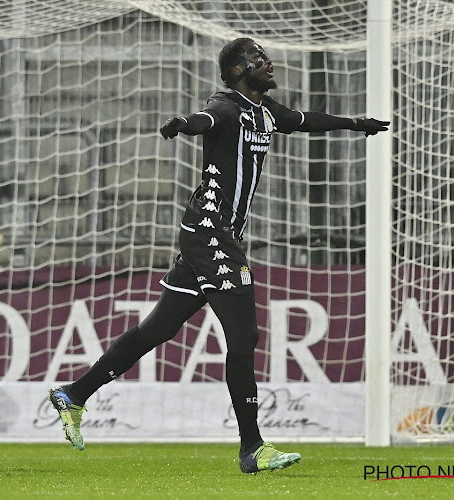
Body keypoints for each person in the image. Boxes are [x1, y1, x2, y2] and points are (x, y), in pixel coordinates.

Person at [49, 37, 389, 473]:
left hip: (208, 234)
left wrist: (355, 123)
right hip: (211, 234)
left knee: (158, 329)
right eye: (257, 58)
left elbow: (306, 121)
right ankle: (253, 448)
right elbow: (205, 120)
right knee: (244, 337)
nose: (267, 62)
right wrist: (181, 125)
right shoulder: (226, 107)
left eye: (265, 56)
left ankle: (73, 395)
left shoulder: (266, 113)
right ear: (235, 73)